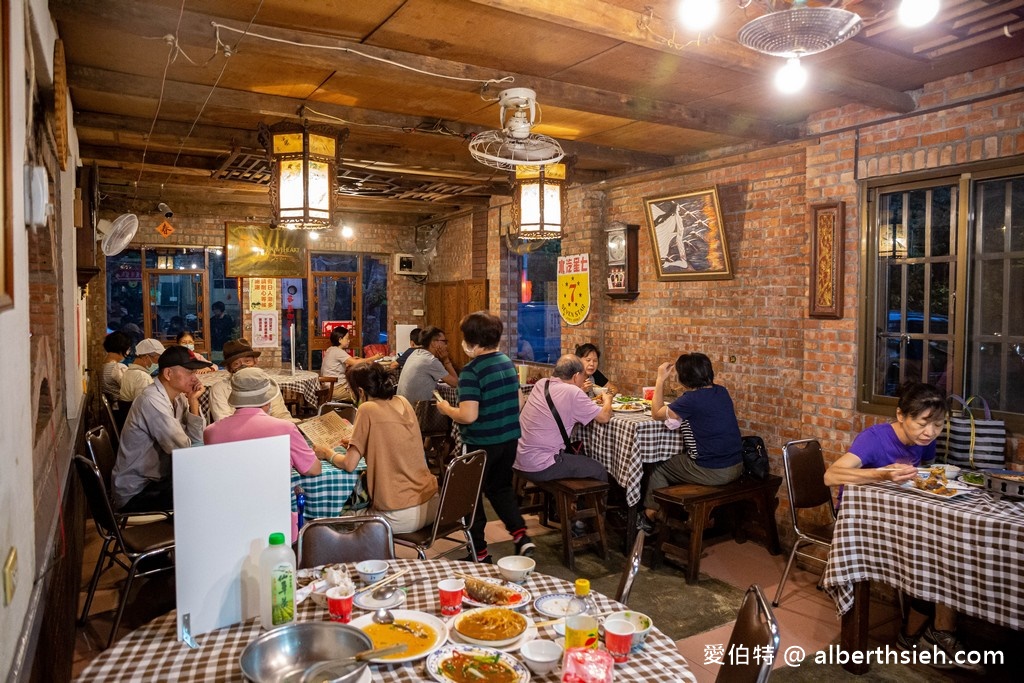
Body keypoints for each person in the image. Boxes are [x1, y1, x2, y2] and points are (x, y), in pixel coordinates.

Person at [823, 382, 981, 673]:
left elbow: (926, 476)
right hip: (861, 522)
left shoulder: (925, 440)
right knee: (936, 554)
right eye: (923, 423)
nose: (930, 432)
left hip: (902, 518)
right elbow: (830, 475)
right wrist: (881, 473)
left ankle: (930, 634)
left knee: (950, 548)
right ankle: (929, 635)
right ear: (900, 415)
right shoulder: (874, 439)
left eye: (938, 425)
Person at [436, 311, 534, 562]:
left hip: (481, 445)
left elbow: (468, 415)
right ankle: (521, 536)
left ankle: (479, 553)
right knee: (500, 488)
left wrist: (446, 409)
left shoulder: (472, 371)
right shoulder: (507, 363)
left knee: (472, 496)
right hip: (509, 440)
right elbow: (519, 402)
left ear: (472, 340)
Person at [204, 367, 333, 541]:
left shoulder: (211, 432)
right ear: (267, 400)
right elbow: (313, 469)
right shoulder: (285, 428)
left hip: (227, 524)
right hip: (276, 524)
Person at [638, 352, 744, 533]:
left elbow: (656, 413)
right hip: (737, 465)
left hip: (714, 470)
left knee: (659, 465)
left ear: (684, 377)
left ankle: (650, 516)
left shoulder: (691, 400)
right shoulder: (721, 391)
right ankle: (668, 513)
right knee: (678, 458)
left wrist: (660, 380)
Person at [332, 363, 440, 534]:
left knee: (331, 519)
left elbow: (349, 464)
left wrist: (327, 453)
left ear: (360, 391)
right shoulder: (403, 402)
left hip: (398, 514)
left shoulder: (366, 409)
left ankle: (363, 561)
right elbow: (392, 439)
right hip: (432, 505)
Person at [111, 346, 212, 512]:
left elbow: (197, 440)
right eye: (189, 372)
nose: (195, 378)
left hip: (159, 481)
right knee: (204, 495)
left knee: (205, 489)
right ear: (168, 374)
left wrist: (193, 401)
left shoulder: (178, 398)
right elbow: (185, 450)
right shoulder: (152, 401)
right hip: (137, 491)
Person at [514, 354, 611, 482]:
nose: (583, 380)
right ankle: (587, 502)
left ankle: (564, 502)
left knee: (579, 460)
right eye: (583, 376)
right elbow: (604, 417)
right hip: (541, 464)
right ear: (576, 376)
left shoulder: (542, 384)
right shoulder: (573, 392)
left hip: (518, 457)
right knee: (598, 470)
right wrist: (607, 400)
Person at [208, 339, 295, 423]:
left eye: (247, 361)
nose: (243, 366)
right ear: (229, 368)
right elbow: (224, 423)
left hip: (272, 433)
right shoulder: (219, 389)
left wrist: (295, 425)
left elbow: (281, 414)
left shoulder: (268, 384)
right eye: (236, 364)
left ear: (255, 361)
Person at [397, 326, 458, 402]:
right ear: (434, 343)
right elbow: (456, 384)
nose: (446, 345)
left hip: (402, 406)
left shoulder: (415, 353)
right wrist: (446, 360)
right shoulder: (430, 360)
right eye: (444, 341)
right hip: (416, 410)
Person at [322, 326, 382, 402]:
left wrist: (354, 361)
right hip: (337, 388)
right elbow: (355, 363)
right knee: (365, 394)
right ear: (340, 340)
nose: (349, 341)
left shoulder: (331, 350)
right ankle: (363, 412)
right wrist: (374, 358)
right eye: (347, 338)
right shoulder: (338, 352)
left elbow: (339, 365)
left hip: (330, 386)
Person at [118, 338, 166, 402]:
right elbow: (147, 404)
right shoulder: (143, 377)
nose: (158, 362)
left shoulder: (128, 372)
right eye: (158, 358)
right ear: (146, 357)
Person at [101, 331, 132, 402]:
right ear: (122, 348)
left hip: (115, 407)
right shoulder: (118, 368)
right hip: (122, 407)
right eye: (128, 349)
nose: (128, 352)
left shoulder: (103, 366)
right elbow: (130, 389)